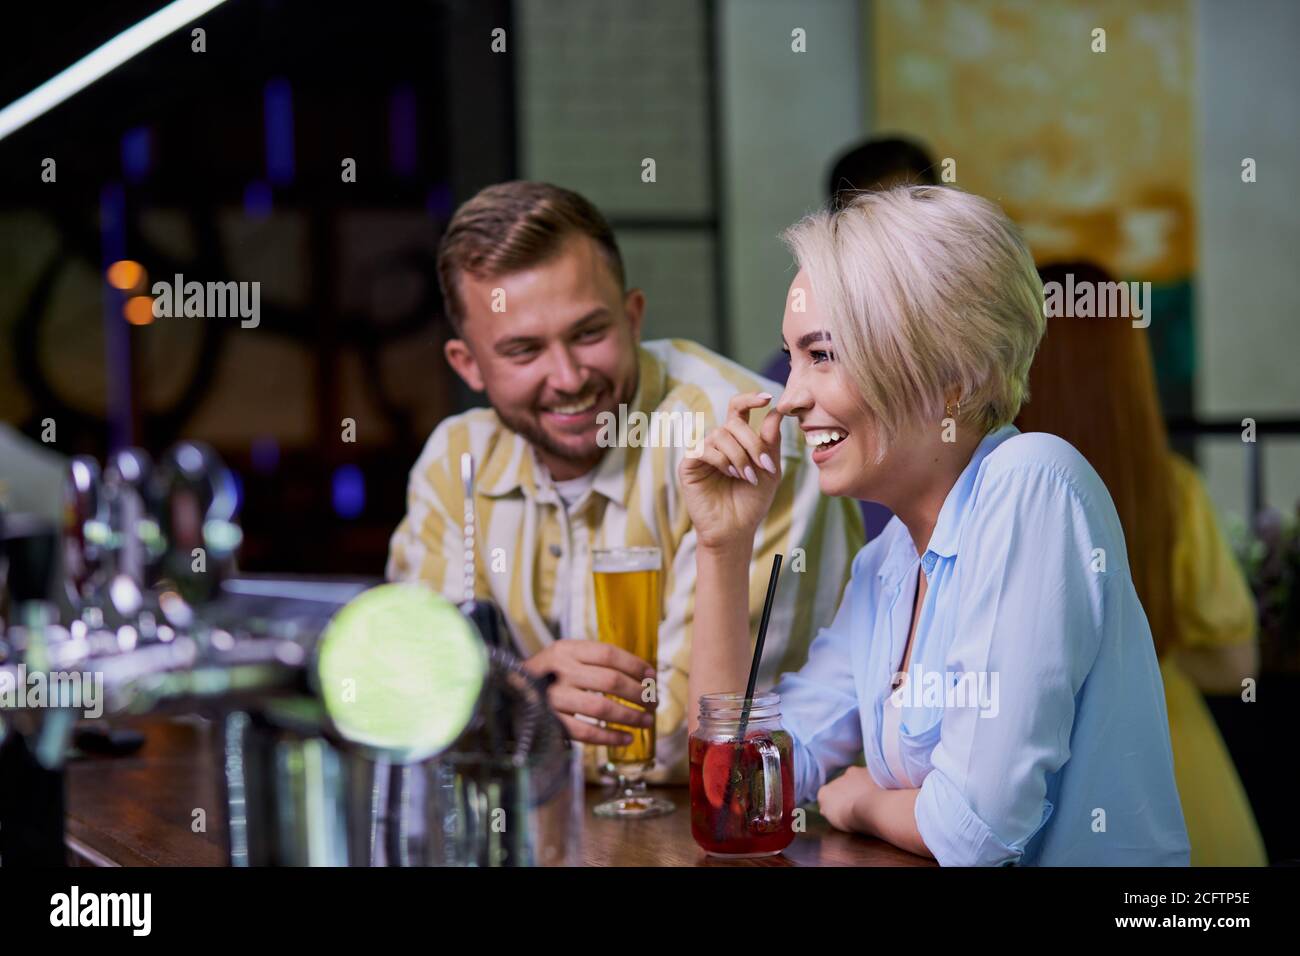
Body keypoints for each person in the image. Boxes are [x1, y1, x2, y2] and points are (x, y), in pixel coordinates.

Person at [679, 186, 1190, 865]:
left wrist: (859, 800)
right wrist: (723, 545)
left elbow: (974, 831)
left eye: (823, 355)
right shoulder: (889, 561)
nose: (791, 398)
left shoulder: (1031, 485)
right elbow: (739, 790)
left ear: (950, 375)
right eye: (791, 357)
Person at [387, 181, 863, 783]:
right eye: (523, 350)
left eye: (589, 334)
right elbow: (407, 693)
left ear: (633, 316)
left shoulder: (752, 443)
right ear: (467, 365)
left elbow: (709, 746)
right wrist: (519, 701)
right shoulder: (454, 459)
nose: (566, 378)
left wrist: (506, 713)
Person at [1016, 261, 1266, 866]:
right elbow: (1237, 663)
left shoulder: (999, 494)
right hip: (1183, 791)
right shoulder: (1173, 490)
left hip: (1030, 785)